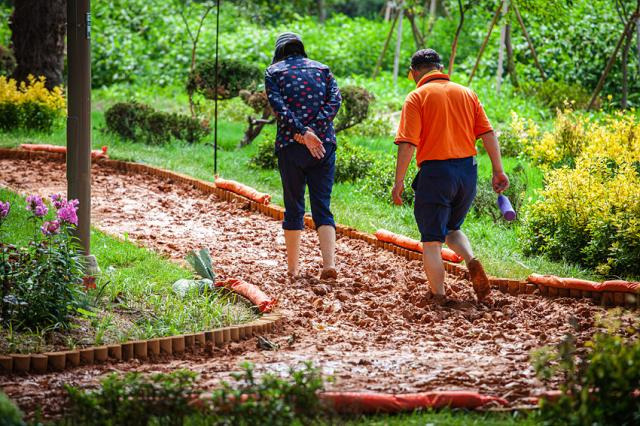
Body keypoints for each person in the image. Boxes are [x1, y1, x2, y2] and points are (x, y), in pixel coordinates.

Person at [392, 48, 509, 302]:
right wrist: (498, 171)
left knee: (432, 241)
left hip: (436, 173)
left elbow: (408, 145)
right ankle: (471, 259)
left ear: (413, 73)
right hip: (467, 172)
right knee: (452, 228)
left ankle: (438, 294)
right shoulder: (467, 93)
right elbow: (488, 133)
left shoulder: (416, 97)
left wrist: (398, 182)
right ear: (440, 68)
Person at [265, 32, 342, 280]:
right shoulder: (323, 70)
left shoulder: (273, 72)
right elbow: (335, 101)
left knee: (294, 205)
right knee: (323, 205)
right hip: (323, 145)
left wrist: (302, 132)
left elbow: (280, 108)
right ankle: (329, 264)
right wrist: (315, 131)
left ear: (279, 51)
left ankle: (293, 270)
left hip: (292, 145)